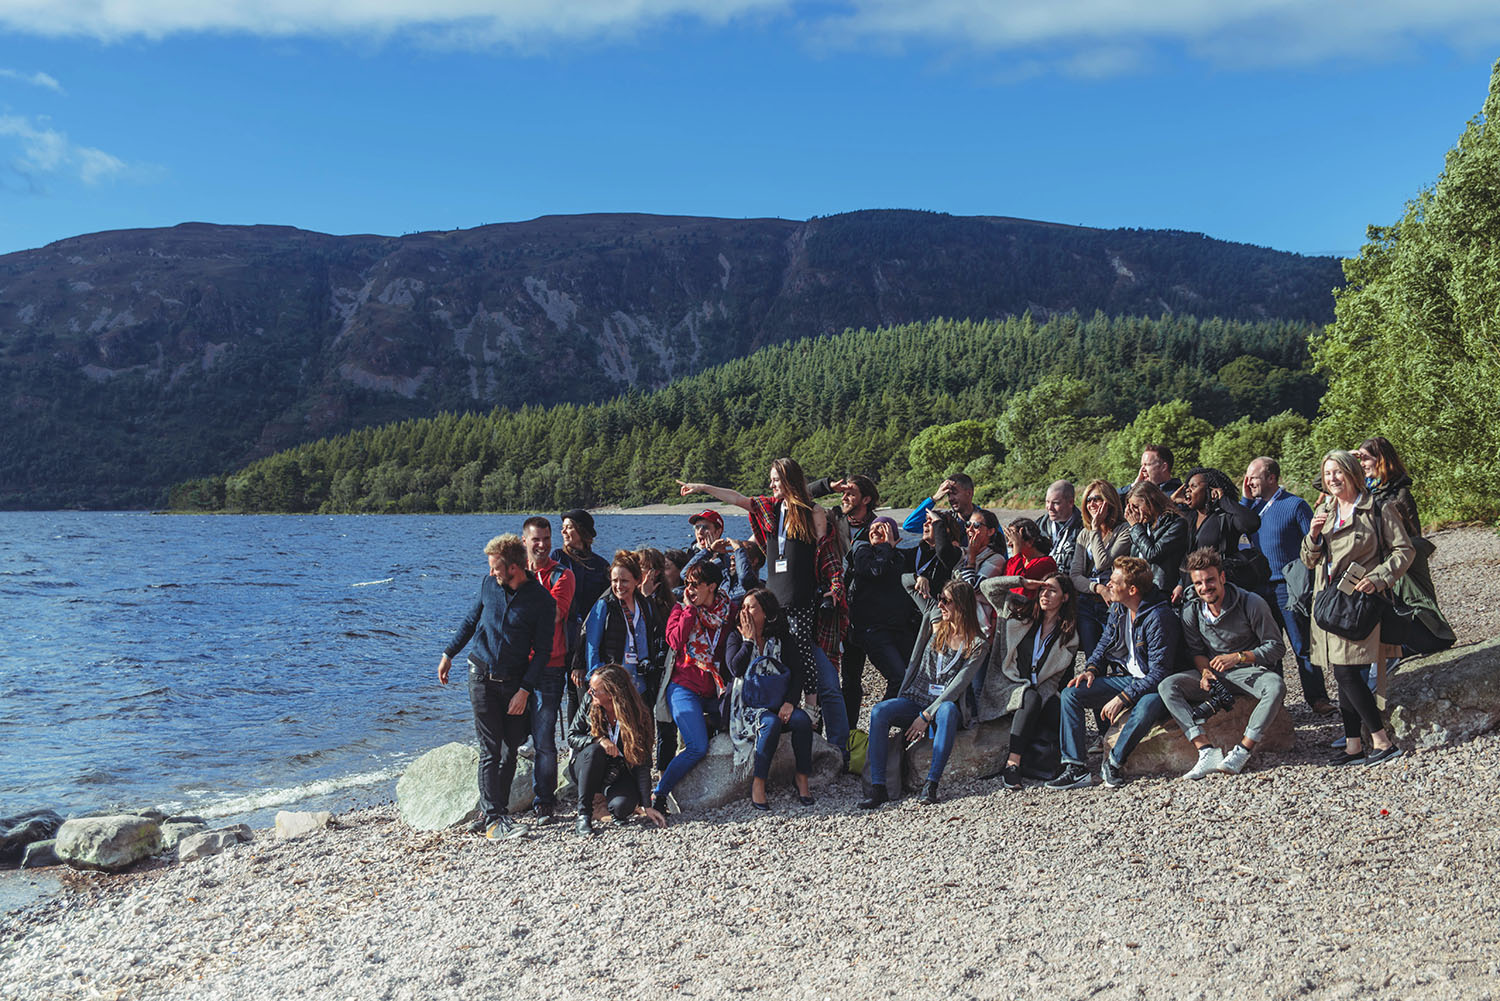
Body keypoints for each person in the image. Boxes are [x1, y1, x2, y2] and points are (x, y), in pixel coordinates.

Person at [676, 460, 849, 757]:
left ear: (789, 481)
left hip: (801, 597)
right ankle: (769, 715)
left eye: (775, 481)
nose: (770, 486)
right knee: (780, 655)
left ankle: (810, 709)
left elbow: (825, 555)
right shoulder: (770, 510)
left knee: (803, 653)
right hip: (774, 597)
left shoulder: (812, 513)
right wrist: (702, 487)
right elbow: (737, 498)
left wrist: (831, 592)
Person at [437, 533, 554, 841]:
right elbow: (470, 621)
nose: (491, 573)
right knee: (490, 749)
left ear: (514, 567)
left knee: (510, 747)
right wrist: (448, 654)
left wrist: (525, 690)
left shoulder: (542, 600)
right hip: (481, 676)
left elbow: (542, 652)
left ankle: (496, 811)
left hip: (515, 683)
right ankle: (492, 819)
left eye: (496, 567)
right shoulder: (489, 586)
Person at [1302, 449, 1413, 767]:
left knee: (1347, 672)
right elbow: (1308, 559)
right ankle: (1353, 746)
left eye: (1337, 472)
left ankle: (1382, 741)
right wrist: (1313, 535)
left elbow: (1404, 551)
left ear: (1352, 472)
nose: (1332, 479)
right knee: (1343, 673)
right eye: (1327, 474)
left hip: (1360, 602)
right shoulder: (1325, 508)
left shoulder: (1378, 508)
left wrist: (1379, 578)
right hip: (1329, 603)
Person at [1047, 555, 1180, 790]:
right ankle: (1076, 767)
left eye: (1113, 581)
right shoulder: (1120, 607)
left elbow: (1159, 673)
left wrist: (1123, 698)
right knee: (1071, 694)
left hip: (1155, 684)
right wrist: (1090, 669)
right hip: (1129, 678)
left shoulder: (1159, 617)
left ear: (1132, 589)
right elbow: (1105, 642)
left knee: (1147, 705)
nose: (1107, 583)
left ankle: (1115, 762)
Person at [1158, 549, 1287, 779]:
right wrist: (1205, 673)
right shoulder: (1192, 610)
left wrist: (1239, 657)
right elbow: (1196, 651)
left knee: (1275, 686)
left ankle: (1243, 750)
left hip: (1248, 671)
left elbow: (1276, 647)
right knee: (1168, 686)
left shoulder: (1251, 602)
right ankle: (1206, 750)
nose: (1205, 587)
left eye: (1210, 580)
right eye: (1199, 583)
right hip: (1215, 675)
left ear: (1222, 578)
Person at [859, 579, 989, 808]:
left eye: (947, 601)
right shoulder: (934, 620)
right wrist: (921, 578)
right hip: (915, 698)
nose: (940, 605)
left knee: (948, 711)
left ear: (962, 606)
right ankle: (878, 787)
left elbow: (958, 685)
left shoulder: (977, 643)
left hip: (942, 705)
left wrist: (926, 716)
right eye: (940, 599)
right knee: (880, 711)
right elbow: (905, 581)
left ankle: (931, 785)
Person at [976, 573, 1080, 789]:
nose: (1045, 594)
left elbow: (1053, 681)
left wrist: (1042, 700)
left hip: (1037, 692)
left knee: (1059, 707)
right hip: (1007, 685)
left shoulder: (1068, 636)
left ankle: (1069, 765)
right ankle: (1012, 764)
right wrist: (1023, 582)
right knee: (1030, 697)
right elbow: (987, 587)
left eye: (1052, 590)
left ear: (1065, 598)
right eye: (1043, 589)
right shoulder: (1019, 610)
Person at [1242, 457, 1329, 713]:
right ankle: (1276, 705)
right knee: (1267, 648)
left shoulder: (1295, 505)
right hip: (1259, 588)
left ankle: (1318, 698)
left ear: (1271, 478)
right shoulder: (1251, 510)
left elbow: (1315, 543)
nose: (1248, 482)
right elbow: (1236, 525)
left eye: (1253, 478)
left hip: (1288, 586)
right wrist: (1246, 499)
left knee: (1301, 644)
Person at [653, 559, 735, 811]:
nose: (689, 589)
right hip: (684, 686)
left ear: (711, 586)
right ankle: (660, 793)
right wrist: (690, 611)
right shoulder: (680, 610)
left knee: (743, 724)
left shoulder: (729, 612)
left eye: (695, 584)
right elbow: (675, 641)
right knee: (697, 746)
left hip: (715, 689)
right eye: (686, 583)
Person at [725, 588, 816, 809]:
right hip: (747, 705)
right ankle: (759, 782)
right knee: (770, 724)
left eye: (751, 607)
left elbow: (798, 672)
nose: (744, 611)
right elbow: (735, 669)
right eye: (743, 607)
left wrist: (790, 702)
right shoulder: (736, 636)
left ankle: (802, 778)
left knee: (802, 721)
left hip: (777, 700)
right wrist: (748, 641)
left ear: (765, 612)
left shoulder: (782, 638)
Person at [565, 663, 667, 837]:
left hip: (618, 770)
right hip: (588, 764)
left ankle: (610, 800)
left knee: (621, 808)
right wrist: (599, 739)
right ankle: (584, 815)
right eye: (590, 688)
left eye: (595, 690)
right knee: (595, 750)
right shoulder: (590, 702)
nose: (590, 692)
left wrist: (646, 805)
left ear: (612, 694)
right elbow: (572, 736)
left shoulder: (639, 714)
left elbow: (642, 762)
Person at [520, 516, 575, 824]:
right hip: (515, 666)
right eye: (535, 539)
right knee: (508, 735)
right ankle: (501, 800)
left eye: (546, 538)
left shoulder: (562, 576)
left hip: (550, 666)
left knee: (543, 737)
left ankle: (544, 799)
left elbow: (553, 616)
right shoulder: (511, 572)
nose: (541, 545)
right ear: (524, 541)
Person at [842, 516, 918, 726]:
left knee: (913, 678)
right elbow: (874, 571)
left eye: (883, 527)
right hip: (872, 630)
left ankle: (900, 731)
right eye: (873, 528)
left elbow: (932, 549)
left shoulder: (901, 557)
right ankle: (879, 725)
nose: (876, 530)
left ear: (895, 534)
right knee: (898, 677)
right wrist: (886, 545)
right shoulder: (861, 551)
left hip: (899, 629)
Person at [1171, 468, 1265, 603]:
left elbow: (1252, 523)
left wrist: (1223, 500)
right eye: (1187, 487)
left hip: (1220, 592)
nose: (1188, 490)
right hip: (1192, 593)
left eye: (1194, 486)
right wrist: (1173, 501)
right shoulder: (1190, 517)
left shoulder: (1224, 517)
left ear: (1210, 490)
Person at [554, 509, 609, 731]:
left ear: (581, 531)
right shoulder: (558, 557)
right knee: (569, 691)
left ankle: (586, 738)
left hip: (589, 638)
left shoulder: (600, 565)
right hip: (562, 634)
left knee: (584, 691)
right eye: (563, 527)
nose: (563, 531)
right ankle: (572, 742)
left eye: (569, 527)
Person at [582, 550, 665, 696]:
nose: (619, 586)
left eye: (624, 581)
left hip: (641, 685)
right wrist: (596, 680)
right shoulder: (604, 606)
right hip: (613, 685)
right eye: (615, 581)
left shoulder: (646, 605)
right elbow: (592, 647)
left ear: (637, 580)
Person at [1069, 479, 1132, 659]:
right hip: (1088, 602)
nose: (1091, 504)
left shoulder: (1124, 531)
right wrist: (1097, 588)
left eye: (1096, 499)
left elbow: (1102, 563)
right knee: (1092, 658)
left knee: (1117, 656)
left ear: (1109, 501)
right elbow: (1075, 575)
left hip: (1113, 603)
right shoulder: (1084, 533)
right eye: (1088, 500)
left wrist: (1096, 529)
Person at [1123, 481, 1188, 597]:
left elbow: (1153, 553)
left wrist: (1136, 528)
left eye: (1136, 507)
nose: (1134, 512)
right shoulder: (1143, 525)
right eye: (1131, 508)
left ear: (1151, 501)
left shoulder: (1175, 523)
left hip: (1160, 590)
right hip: (1138, 589)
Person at [956, 507, 1008, 639]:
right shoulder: (963, 553)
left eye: (977, 526)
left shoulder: (996, 559)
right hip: (958, 623)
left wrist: (972, 559)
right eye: (968, 525)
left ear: (990, 531)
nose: (970, 529)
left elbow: (971, 588)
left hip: (978, 627)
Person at [901, 472, 977, 532]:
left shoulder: (984, 519)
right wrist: (934, 499)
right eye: (948, 495)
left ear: (969, 493)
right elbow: (909, 525)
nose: (950, 499)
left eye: (954, 493)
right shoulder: (946, 522)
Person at [1039, 480, 1084, 577]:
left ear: (1071, 502)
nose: (1049, 507)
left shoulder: (1083, 527)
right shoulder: (1039, 525)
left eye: (1056, 503)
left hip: (1069, 584)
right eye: (1047, 502)